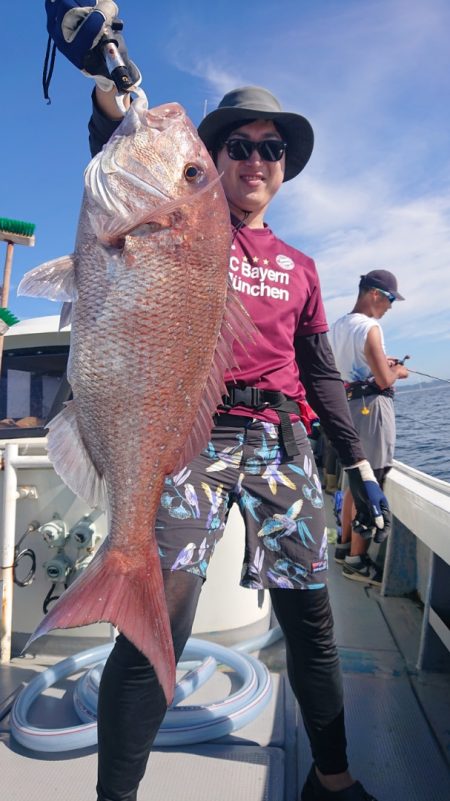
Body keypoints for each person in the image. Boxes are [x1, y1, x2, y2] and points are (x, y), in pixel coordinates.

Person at [45, 4, 392, 799]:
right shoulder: (189, 221)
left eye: (274, 149)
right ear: (216, 156)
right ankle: (116, 794)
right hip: (188, 436)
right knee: (161, 615)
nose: (259, 159)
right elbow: (124, 149)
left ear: (284, 167)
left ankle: (331, 780)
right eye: (241, 145)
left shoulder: (302, 266)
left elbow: (323, 373)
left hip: (279, 437)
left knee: (312, 618)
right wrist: (108, 71)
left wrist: (363, 468)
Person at [328, 270, 409, 585]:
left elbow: (349, 369)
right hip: (372, 411)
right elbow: (383, 380)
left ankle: (344, 547)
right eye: (390, 299)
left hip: (348, 408)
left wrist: (380, 364)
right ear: (375, 294)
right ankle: (356, 561)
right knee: (371, 480)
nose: (390, 307)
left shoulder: (338, 326)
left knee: (354, 478)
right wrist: (398, 371)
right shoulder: (371, 327)